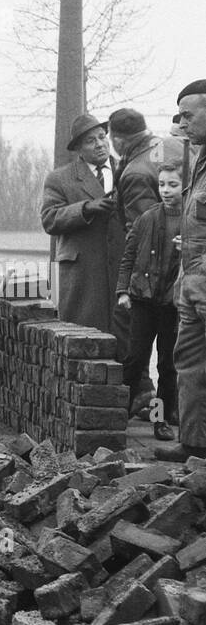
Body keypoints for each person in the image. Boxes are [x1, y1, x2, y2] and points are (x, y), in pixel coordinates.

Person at [117, 163, 182, 442]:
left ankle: (160, 421)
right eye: (162, 184)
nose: (166, 191)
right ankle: (119, 413)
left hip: (173, 305)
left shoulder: (194, 222)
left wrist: (189, 247)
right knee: (134, 359)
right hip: (143, 300)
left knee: (167, 365)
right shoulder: (147, 218)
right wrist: (123, 291)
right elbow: (128, 256)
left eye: (173, 185)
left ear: (185, 186)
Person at [41, 113, 122, 335]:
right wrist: (84, 209)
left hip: (121, 273)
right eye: (90, 141)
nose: (99, 144)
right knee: (82, 340)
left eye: (102, 136)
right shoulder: (60, 179)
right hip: (82, 277)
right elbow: (49, 219)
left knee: (127, 347)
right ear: (78, 148)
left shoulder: (126, 171)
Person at [172, 80, 206, 457]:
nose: (182, 123)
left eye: (188, 115)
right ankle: (194, 446)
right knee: (191, 366)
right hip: (192, 287)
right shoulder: (198, 162)